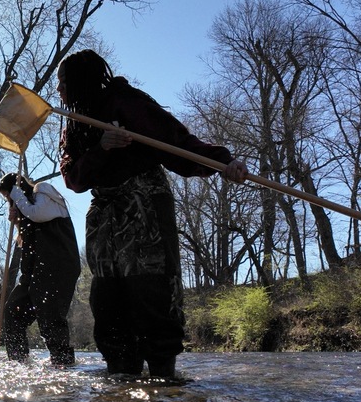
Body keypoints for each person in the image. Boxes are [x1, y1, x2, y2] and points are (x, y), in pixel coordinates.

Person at [56, 49, 248, 378]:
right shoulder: (76, 124)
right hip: (104, 216)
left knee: (150, 289)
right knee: (107, 297)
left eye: (63, 83)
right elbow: (73, 179)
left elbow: (176, 141)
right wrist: (102, 148)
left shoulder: (127, 101)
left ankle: (164, 377)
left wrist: (222, 162)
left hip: (144, 206)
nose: (59, 91)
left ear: (79, 81)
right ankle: (120, 373)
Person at [0, 172, 81, 366]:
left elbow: (40, 215)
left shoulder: (43, 190)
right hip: (34, 272)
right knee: (12, 314)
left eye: (7, 195)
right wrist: (18, 221)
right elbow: (31, 231)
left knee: (50, 317)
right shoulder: (26, 209)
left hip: (57, 266)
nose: (8, 200)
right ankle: (19, 365)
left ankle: (63, 366)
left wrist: (17, 198)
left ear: (16, 189)